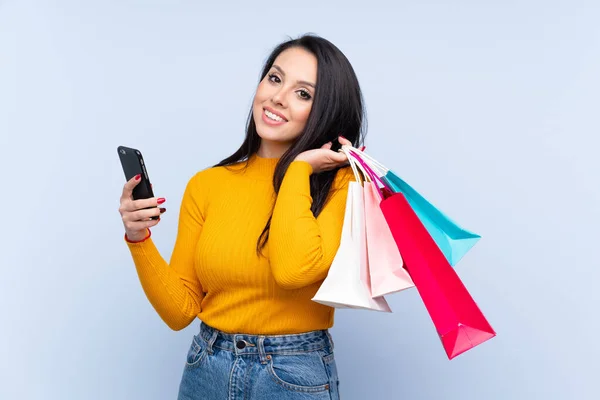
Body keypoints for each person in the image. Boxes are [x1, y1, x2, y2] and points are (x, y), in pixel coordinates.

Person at [118, 34, 366, 400]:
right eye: (275, 78)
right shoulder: (208, 184)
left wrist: (298, 170)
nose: (278, 97)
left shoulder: (341, 184)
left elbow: (293, 270)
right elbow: (180, 311)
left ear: (326, 111)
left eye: (303, 94)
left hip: (292, 373)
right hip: (207, 365)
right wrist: (138, 238)